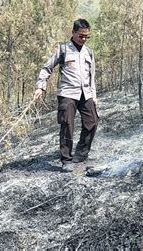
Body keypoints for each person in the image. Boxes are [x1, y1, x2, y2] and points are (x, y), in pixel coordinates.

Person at [34, 18, 98, 171]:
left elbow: (92, 76)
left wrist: (93, 96)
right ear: (73, 32)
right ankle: (66, 160)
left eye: (86, 36)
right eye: (81, 36)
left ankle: (80, 156)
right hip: (67, 93)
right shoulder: (62, 49)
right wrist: (40, 86)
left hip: (85, 93)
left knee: (92, 122)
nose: (83, 39)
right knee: (67, 125)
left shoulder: (89, 52)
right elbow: (47, 68)